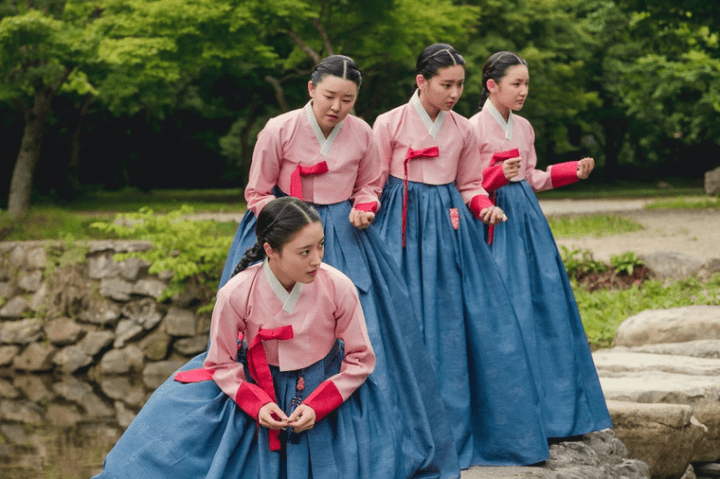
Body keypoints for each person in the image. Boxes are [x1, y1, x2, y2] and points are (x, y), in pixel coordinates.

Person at [217, 55, 460, 478]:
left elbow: (369, 184)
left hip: (345, 236)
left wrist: (366, 206)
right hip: (287, 230)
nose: (337, 106)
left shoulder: (363, 132)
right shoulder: (279, 129)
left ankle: (368, 447)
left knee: (371, 335)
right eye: (330, 95)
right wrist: (286, 223)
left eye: (347, 99)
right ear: (311, 90)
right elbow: (257, 192)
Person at [95, 197, 407, 478]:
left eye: (321, 246)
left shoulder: (339, 287)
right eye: (305, 251)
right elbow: (220, 361)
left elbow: (360, 358)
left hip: (324, 384)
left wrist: (319, 405)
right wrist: (256, 405)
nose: (317, 259)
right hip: (257, 384)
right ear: (271, 250)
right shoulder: (235, 293)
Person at [372, 43, 549, 468]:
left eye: (459, 85)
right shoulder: (388, 122)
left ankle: (459, 430)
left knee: (458, 324)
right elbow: (373, 182)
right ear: (421, 81)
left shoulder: (462, 129)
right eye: (445, 84)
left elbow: (470, 183)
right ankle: (399, 431)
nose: (454, 93)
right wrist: (366, 213)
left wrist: (482, 205)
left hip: (449, 228)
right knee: (400, 321)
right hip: (399, 220)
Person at [468, 51, 612, 438]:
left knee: (544, 304)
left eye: (526, 83)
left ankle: (555, 412)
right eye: (516, 83)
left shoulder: (524, 127)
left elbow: (533, 177)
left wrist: (571, 172)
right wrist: (495, 175)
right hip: (490, 221)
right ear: (491, 85)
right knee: (507, 309)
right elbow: (463, 185)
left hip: (527, 221)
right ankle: (510, 416)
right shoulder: (472, 129)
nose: (524, 91)